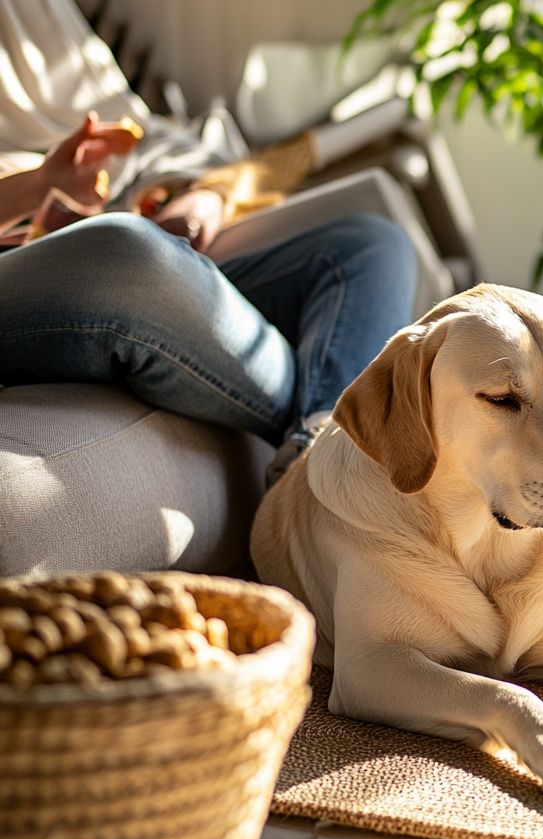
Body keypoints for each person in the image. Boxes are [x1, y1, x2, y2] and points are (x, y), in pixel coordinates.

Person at [0, 0, 417, 484]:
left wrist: (206, 195)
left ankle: (319, 453)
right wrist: (32, 188)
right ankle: (339, 466)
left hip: (143, 241)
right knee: (127, 253)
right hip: (56, 263)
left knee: (370, 242)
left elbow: (145, 140)